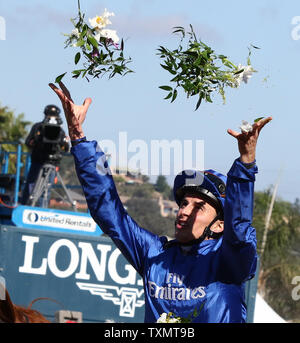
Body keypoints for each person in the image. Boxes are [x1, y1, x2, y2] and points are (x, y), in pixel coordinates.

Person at [49, 81, 272, 323]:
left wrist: (246, 163)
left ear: (219, 225)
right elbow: (108, 210)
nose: (184, 211)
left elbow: (238, 230)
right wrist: (79, 139)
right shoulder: (154, 253)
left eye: (198, 207)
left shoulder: (229, 263)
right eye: (184, 203)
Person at [20, 105, 69, 207]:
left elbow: (65, 148)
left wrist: (65, 142)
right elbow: (28, 142)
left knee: (46, 188)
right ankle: (25, 206)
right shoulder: (38, 127)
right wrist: (36, 141)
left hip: (52, 163)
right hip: (38, 161)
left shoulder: (60, 131)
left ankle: (43, 209)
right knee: (31, 185)